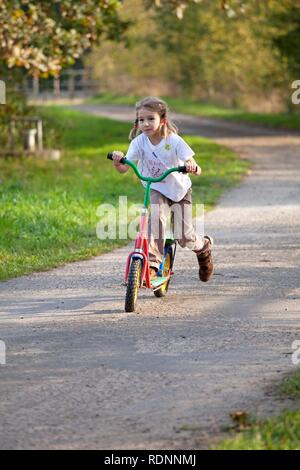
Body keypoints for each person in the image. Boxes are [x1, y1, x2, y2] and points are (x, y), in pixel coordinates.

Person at [111, 96, 213, 282]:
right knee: (155, 220)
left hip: (179, 191)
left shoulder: (173, 141)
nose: (146, 124)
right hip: (156, 187)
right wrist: (119, 162)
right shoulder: (139, 142)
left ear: (162, 120)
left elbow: (191, 160)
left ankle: (204, 247)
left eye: (151, 119)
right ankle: (152, 263)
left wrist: (191, 166)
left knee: (184, 237)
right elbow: (124, 168)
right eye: (141, 120)